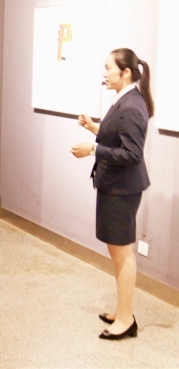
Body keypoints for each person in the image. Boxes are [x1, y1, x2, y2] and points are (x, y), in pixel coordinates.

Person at [71, 48, 154, 341]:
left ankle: (126, 319)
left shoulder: (132, 105)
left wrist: (92, 149)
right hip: (115, 186)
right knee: (118, 253)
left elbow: (132, 154)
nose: (104, 74)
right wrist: (94, 127)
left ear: (126, 72)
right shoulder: (125, 100)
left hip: (123, 189)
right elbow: (116, 138)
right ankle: (122, 310)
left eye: (108, 68)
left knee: (122, 254)